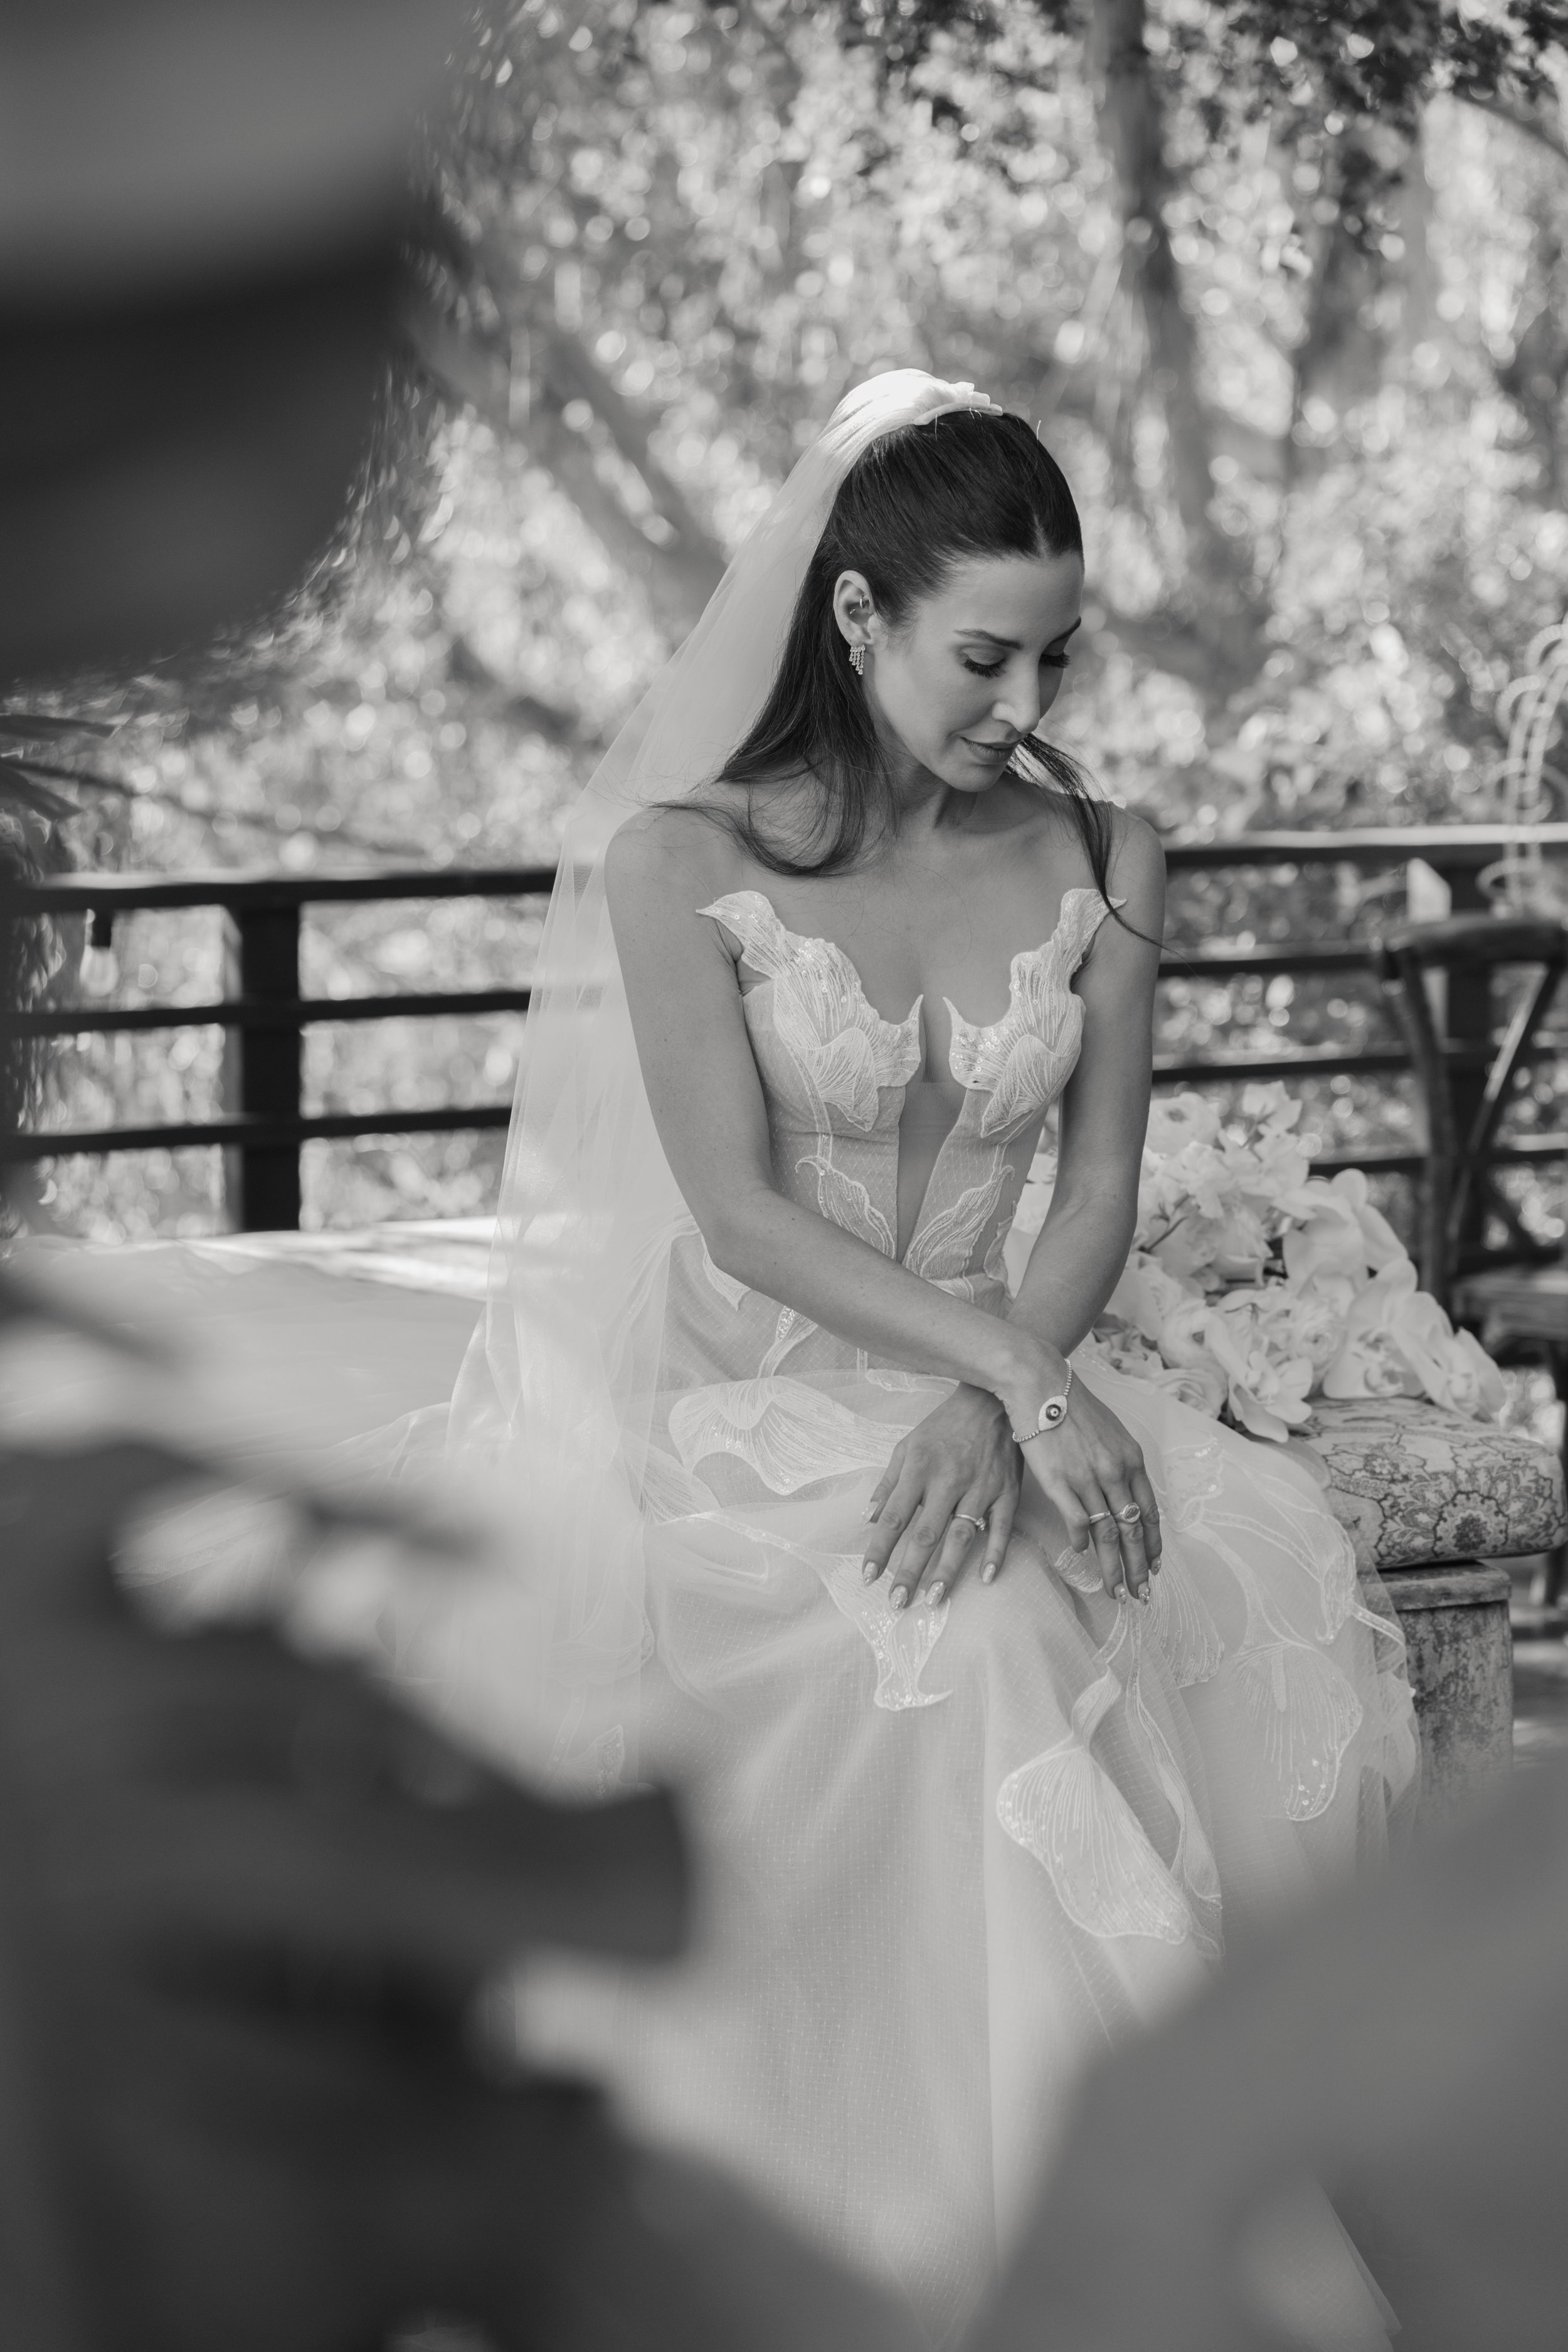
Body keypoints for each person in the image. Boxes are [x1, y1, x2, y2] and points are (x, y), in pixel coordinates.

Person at [37, 369, 1419, 2349]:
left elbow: (1095, 1187)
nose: (1022, 704)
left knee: (1213, 1560)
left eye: (1052, 654)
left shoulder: (1110, 852)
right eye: (979, 656)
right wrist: (1006, 1390)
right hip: (736, 1408)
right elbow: (738, 1216)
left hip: (987, 1373)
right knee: (968, 1636)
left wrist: (1002, 1393)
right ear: (854, 621)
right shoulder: (679, 866)